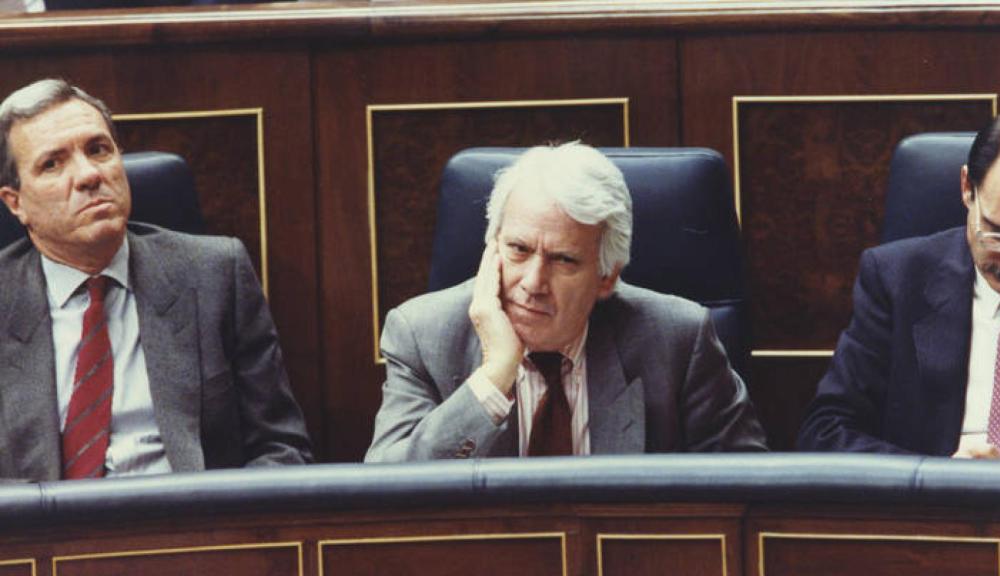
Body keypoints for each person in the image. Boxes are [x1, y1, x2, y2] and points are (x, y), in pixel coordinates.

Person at [365, 142, 766, 461]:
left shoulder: (678, 340)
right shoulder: (423, 335)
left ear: (607, 277)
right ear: (491, 250)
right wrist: (494, 377)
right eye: (519, 250)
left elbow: (745, 491)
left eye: (563, 260)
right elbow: (387, 495)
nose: (534, 282)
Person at [0, 78, 312, 481]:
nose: (88, 175)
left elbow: (281, 447)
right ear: (16, 202)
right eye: (52, 164)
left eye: (98, 150)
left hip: (194, 531)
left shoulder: (215, 274)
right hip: (45, 537)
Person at [798, 108, 1000, 459]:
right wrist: (936, 477)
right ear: (967, 188)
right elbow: (826, 432)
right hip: (933, 506)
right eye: (997, 235)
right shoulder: (897, 279)